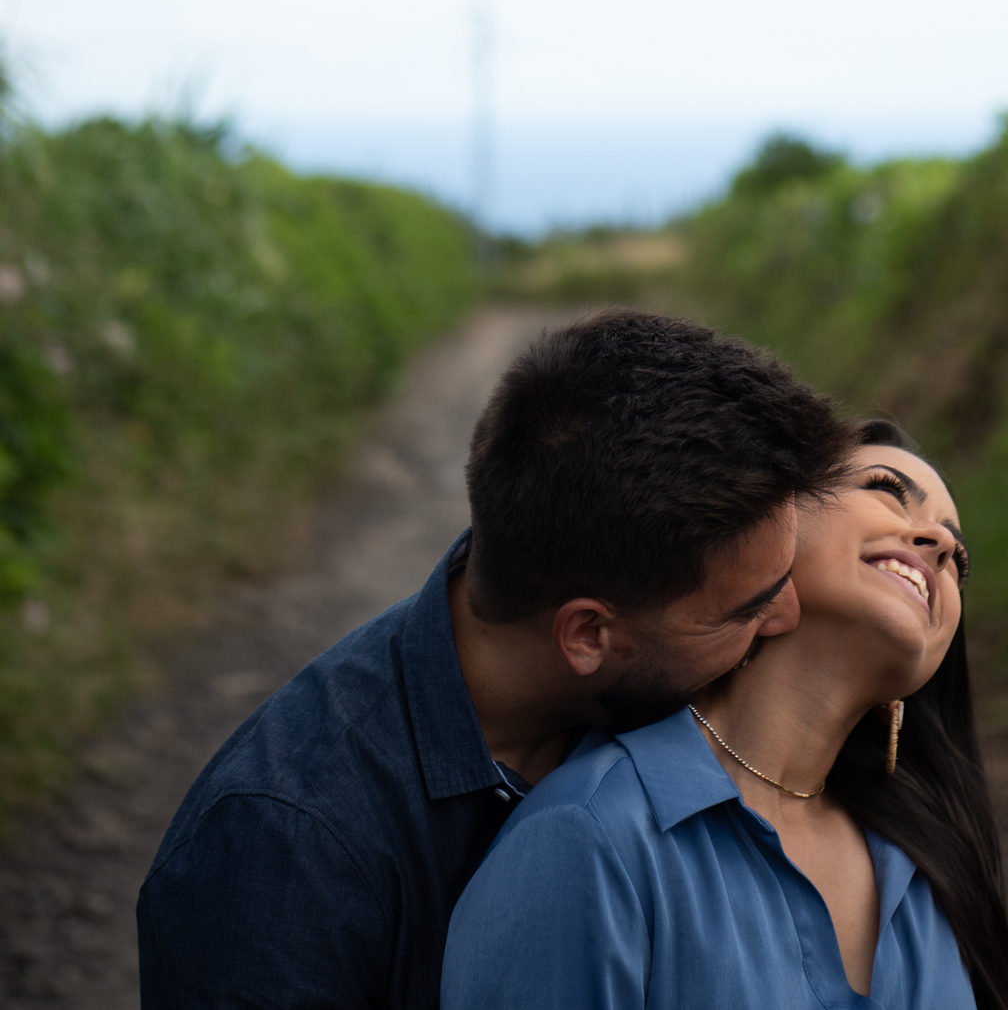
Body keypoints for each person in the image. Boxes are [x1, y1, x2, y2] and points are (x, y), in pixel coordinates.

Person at [137, 308, 851, 1009]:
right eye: (746, 609)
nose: (788, 616)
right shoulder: (287, 849)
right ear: (588, 636)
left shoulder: (667, 694)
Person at [441, 420, 1008, 1010]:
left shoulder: (925, 873)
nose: (939, 544)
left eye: (959, 557)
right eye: (885, 490)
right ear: (765, 528)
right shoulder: (586, 834)